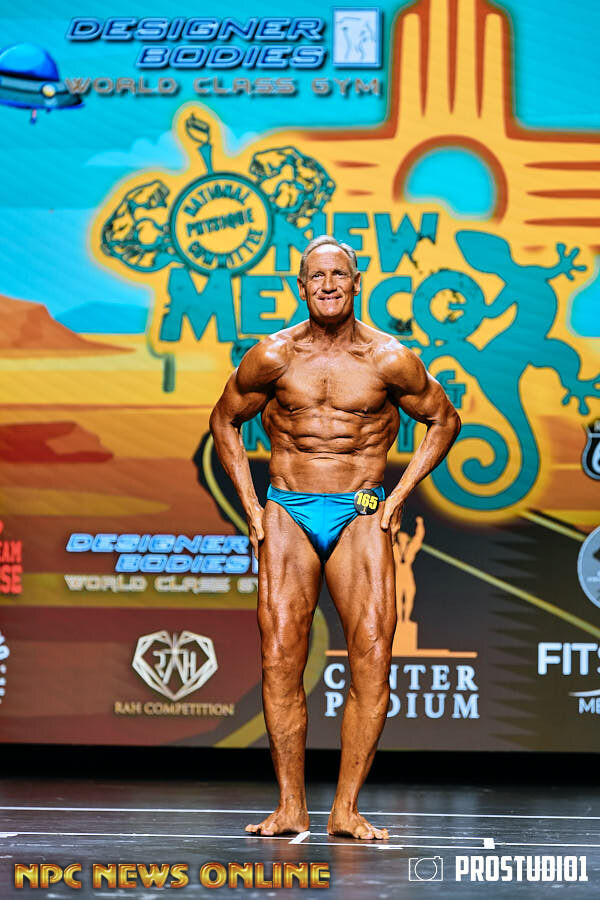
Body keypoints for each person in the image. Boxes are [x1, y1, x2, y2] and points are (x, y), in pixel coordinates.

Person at [209, 235, 461, 840]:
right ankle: (290, 806)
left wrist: (397, 499)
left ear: (356, 283)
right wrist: (252, 507)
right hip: (289, 509)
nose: (328, 285)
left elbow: (443, 419)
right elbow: (224, 420)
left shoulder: (389, 359)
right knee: (280, 657)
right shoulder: (272, 356)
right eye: (316, 276)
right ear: (301, 286)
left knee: (372, 656)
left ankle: (345, 809)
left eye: (338, 275)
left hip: (360, 509)